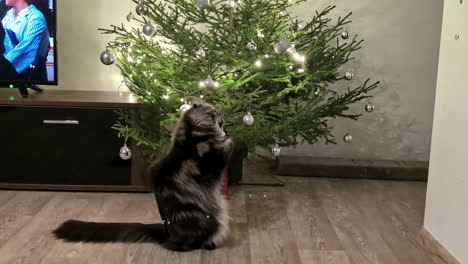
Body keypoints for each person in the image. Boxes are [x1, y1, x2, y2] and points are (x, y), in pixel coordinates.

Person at [2, 0, 50, 81]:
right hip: (8, 74)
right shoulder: (8, 15)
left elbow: (24, 52)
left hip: (29, 77)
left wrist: (3, 67)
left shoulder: (36, 17)